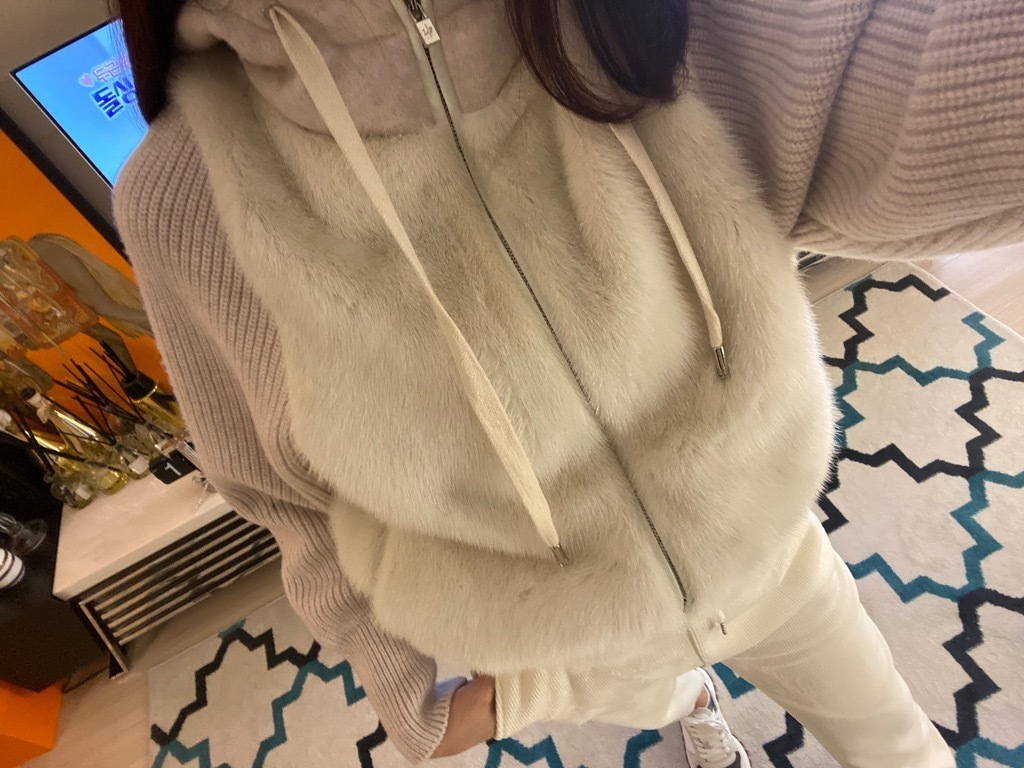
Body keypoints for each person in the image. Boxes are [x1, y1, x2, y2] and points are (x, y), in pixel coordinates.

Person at [112, 0, 1023, 765]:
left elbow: (917, 88)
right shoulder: (185, 193)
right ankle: (691, 704)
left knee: (900, 748)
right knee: (666, 696)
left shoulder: (620, 15)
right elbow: (277, 489)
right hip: (558, 640)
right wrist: (406, 696)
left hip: (769, 549)